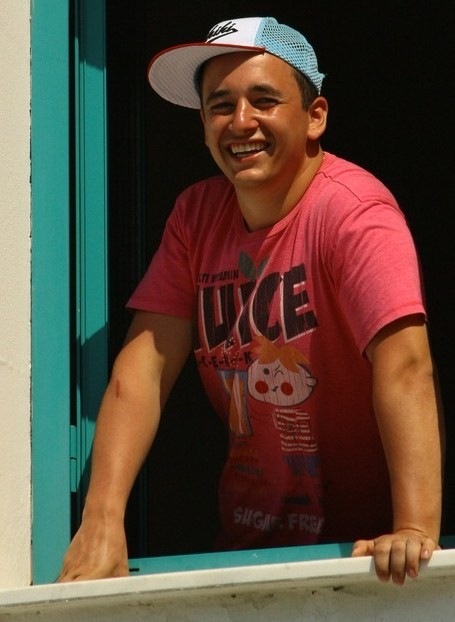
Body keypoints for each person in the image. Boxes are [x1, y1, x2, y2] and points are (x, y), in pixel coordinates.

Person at [58, 16, 444, 585]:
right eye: (220, 105)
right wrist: (101, 521)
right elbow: (141, 373)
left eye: (264, 100)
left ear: (315, 117)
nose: (241, 122)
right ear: (203, 125)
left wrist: (414, 529)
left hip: (368, 562)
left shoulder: (356, 214)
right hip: (245, 555)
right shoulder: (195, 216)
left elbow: (406, 366)